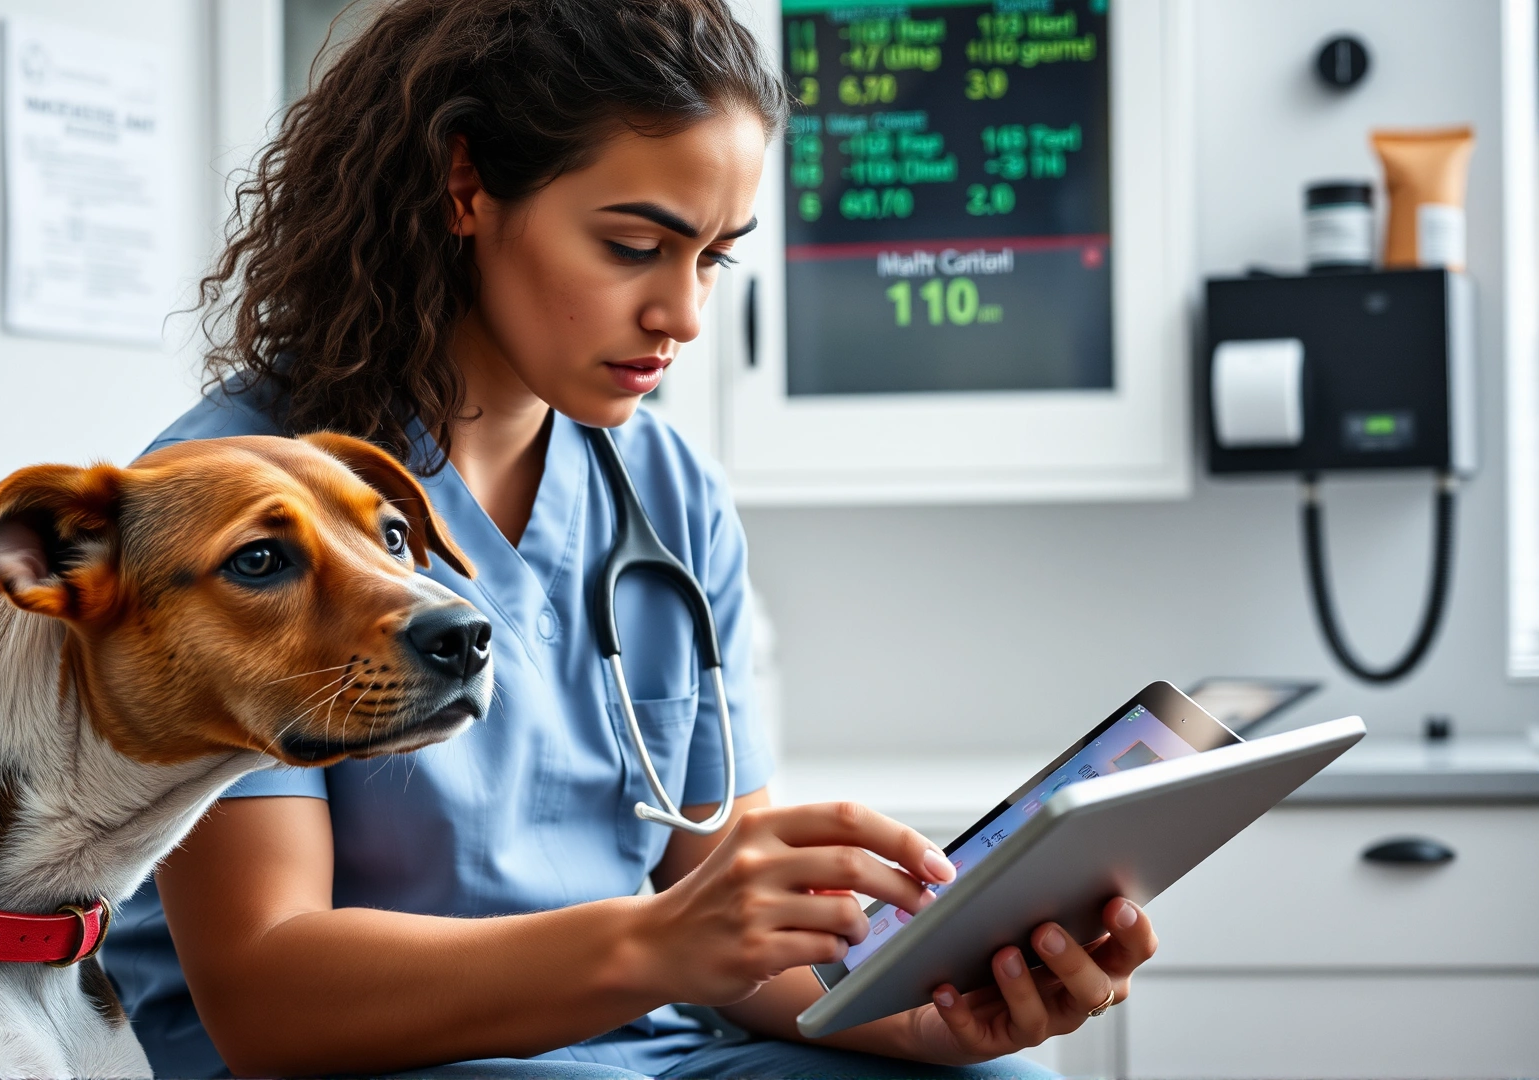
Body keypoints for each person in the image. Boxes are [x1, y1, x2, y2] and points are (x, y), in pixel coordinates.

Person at [105, 1, 1160, 1076]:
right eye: (634, 247)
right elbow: (268, 993)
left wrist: (924, 1012)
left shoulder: (668, 489)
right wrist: (660, 943)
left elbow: (733, 936)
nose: (683, 314)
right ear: (466, 186)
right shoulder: (232, 510)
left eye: (712, 258)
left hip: (641, 1046)